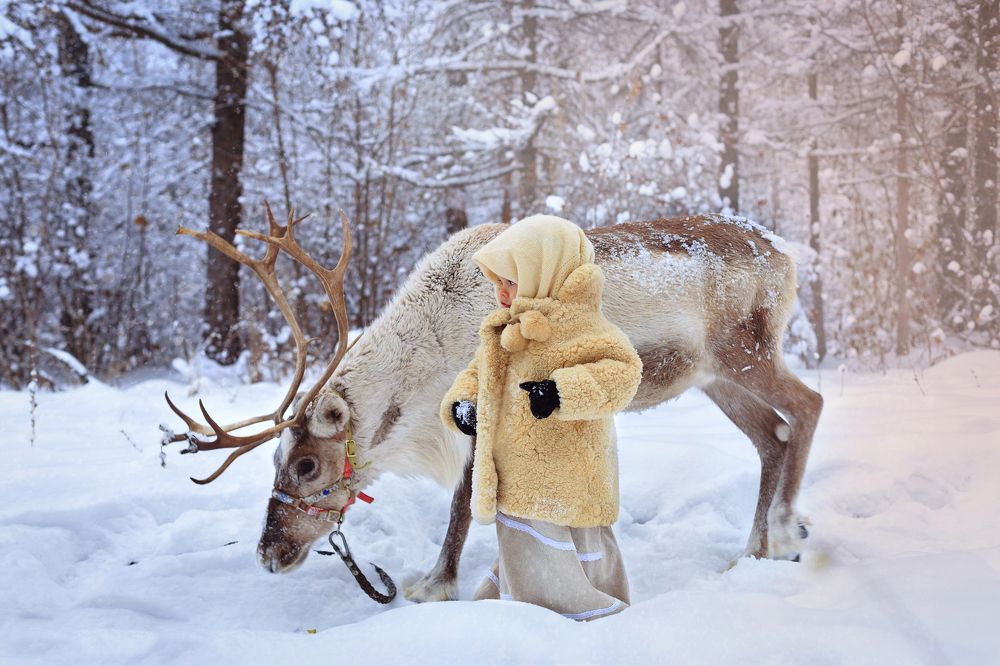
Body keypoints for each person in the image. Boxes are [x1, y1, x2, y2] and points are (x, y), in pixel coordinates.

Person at [439, 214, 643, 621]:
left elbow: (623, 373)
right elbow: (477, 374)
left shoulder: (585, 327)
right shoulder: (504, 330)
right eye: (497, 282)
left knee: (573, 546)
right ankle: (525, 613)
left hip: (572, 471)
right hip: (520, 474)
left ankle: (577, 617)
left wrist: (561, 391)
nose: (501, 292)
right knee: (530, 547)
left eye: (511, 282)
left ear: (545, 273)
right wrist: (463, 404)